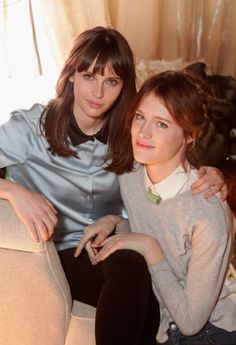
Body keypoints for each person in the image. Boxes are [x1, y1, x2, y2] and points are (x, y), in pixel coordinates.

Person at [0, 25, 227, 345]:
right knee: (136, 276)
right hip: (54, 251)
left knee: (139, 279)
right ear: (71, 76)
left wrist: (211, 174)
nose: (98, 92)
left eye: (112, 81)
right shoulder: (30, 127)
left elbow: (173, 161)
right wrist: (13, 191)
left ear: (123, 86)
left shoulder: (132, 133)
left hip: (113, 245)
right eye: (89, 76)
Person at [75, 70, 236, 345]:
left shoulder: (207, 213)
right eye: (140, 117)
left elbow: (190, 323)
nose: (143, 133)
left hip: (211, 333)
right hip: (161, 320)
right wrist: (116, 222)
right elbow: (159, 227)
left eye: (161, 124)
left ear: (188, 136)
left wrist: (149, 248)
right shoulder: (132, 173)